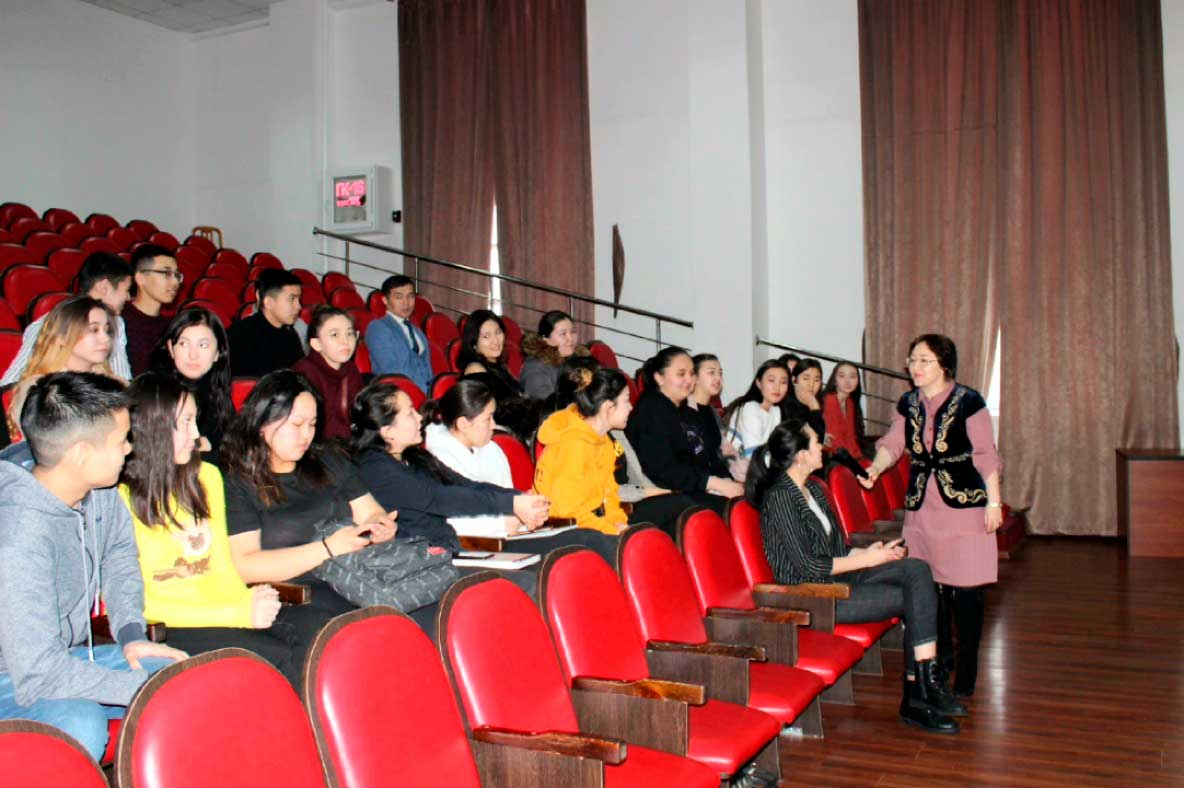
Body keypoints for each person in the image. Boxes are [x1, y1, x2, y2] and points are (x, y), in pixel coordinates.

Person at [0, 372, 187, 761]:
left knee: (178, 677)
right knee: (82, 721)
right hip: (13, 676)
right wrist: (138, 688)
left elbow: (119, 556)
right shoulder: (17, 535)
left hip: (63, 657)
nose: (129, 449)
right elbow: (39, 674)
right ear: (81, 454)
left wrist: (131, 634)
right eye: (121, 441)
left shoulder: (97, 491)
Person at [747, 418, 966, 734]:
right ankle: (919, 694)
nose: (822, 447)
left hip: (839, 579)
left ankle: (922, 689)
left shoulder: (814, 489)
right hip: (812, 594)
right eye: (816, 442)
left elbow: (838, 548)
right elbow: (808, 567)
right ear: (801, 455)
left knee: (917, 569)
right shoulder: (780, 497)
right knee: (913, 596)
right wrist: (868, 560)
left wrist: (869, 552)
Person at [118, 373, 328, 689]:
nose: (197, 434)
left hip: (230, 608)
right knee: (276, 659)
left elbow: (222, 564)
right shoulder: (119, 498)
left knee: (319, 632)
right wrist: (238, 613)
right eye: (185, 422)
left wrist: (249, 599)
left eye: (195, 421)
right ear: (154, 427)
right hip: (175, 624)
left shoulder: (207, 477)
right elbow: (137, 604)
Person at [861, 334, 1002, 699]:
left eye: (924, 360)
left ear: (944, 365)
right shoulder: (908, 402)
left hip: (965, 508)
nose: (915, 367)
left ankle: (967, 672)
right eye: (912, 360)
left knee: (966, 592)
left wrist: (994, 503)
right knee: (929, 588)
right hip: (922, 509)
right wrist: (875, 468)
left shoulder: (970, 401)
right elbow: (894, 443)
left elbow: (985, 454)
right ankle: (939, 662)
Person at [221, 371, 402, 628]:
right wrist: (327, 549)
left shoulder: (328, 459)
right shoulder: (238, 482)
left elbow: (370, 512)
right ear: (262, 423)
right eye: (297, 425)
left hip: (357, 577)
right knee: (371, 630)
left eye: (312, 424)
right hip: (296, 597)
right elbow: (245, 565)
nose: (306, 435)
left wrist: (380, 526)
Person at [423, 379, 617, 561]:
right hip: (482, 547)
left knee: (587, 537)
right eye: (488, 419)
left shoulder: (492, 449)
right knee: (585, 542)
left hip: (508, 537)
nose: (494, 425)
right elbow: (453, 523)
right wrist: (511, 518)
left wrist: (529, 511)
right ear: (464, 424)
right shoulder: (437, 460)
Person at [624, 347, 744, 515]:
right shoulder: (651, 410)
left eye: (692, 373)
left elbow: (705, 457)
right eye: (681, 374)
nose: (689, 379)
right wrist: (712, 483)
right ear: (659, 378)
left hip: (690, 487)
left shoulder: (682, 408)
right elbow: (663, 470)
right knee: (732, 510)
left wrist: (726, 482)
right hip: (661, 495)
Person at [2, 252, 134, 386]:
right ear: (104, 287)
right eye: (126, 289)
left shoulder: (115, 321)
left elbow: (122, 381)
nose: (129, 297)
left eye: (106, 330)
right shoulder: (50, 322)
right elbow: (10, 384)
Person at [7, 297, 118, 440]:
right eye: (94, 330)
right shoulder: (39, 391)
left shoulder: (112, 382)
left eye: (107, 330)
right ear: (63, 337)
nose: (106, 338)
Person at [150, 308, 233, 459]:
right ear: (170, 348)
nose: (193, 355)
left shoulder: (217, 389)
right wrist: (201, 446)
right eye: (183, 344)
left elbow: (233, 445)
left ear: (218, 353)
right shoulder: (154, 393)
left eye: (203, 345)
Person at [293, 306, 364, 442]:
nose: (345, 341)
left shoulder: (351, 369)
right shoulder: (303, 372)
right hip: (317, 445)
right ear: (316, 344)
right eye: (335, 335)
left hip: (349, 444)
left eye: (350, 334)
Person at [228, 269, 304, 377]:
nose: (298, 306)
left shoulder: (291, 335)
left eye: (299, 299)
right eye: (292, 299)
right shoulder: (239, 334)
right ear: (268, 302)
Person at [364, 275, 431, 391]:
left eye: (410, 296)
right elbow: (390, 371)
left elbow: (427, 370)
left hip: (426, 394)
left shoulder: (418, 332)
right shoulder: (378, 328)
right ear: (385, 300)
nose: (406, 303)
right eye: (398, 297)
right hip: (397, 393)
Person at [123, 244, 181, 375]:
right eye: (167, 273)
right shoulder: (120, 321)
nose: (175, 282)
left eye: (177, 275)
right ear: (140, 278)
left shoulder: (171, 326)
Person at [689, 353, 746, 480]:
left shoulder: (711, 411)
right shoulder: (686, 410)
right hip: (703, 481)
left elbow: (725, 452)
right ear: (695, 377)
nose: (718, 378)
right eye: (711, 373)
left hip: (720, 477)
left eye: (720, 373)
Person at [722, 360, 791, 458]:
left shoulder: (776, 411)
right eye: (771, 380)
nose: (777, 387)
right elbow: (754, 455)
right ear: (758, 383)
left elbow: (773, 448)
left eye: (783, 382)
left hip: (759, 462)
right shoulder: (750, 409)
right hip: (738, 463)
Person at [520, 310, 589, 400]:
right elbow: (546, 403)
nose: (570, 338)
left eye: (573, 331)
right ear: (546, 339)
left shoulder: (579, 359)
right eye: (563, 334)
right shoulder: (536, 368)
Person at [822, 361, 865, 459]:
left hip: (846, 455)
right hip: (830, 456)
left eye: (852, 376)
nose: (847, 381)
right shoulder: (829, 400)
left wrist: (859, 457)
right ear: (834, 380)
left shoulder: (850, 402)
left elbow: (851, 438)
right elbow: (834, 441)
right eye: (842, 376)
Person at [781, 357, 826, 440]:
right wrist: (814, 408)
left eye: (817, 380)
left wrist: (814, 408)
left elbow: (819, 441)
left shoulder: (815, 402)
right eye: (806, 378)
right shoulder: (784, 405)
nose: (811, 384)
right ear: (794, 380)